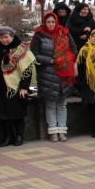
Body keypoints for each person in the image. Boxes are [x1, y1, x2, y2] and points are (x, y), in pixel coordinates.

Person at [31, 12, 77, 142]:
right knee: (50, 104)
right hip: (47, 73)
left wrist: (65, 59)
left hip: (64, 74)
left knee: (62, 104)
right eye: (48, 22)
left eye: (53, 22)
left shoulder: (64, 33)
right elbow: (34, 54)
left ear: (56, 22)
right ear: (45, 23)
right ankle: (52, 131)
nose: (51, 24)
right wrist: (50, 60)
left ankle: (62, 130)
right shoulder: (39, 35)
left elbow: (74, 50)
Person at [0, 27, 35, 148]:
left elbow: (27, 70)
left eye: (6, 37)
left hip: (16, 87)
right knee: (3, 113)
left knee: (17, 113)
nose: (4, 40)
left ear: (12, 36)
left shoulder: (21, 50)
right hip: (0, 87)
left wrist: (24, 87)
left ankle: (19, 136)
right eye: (1, 37)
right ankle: (8, 136)